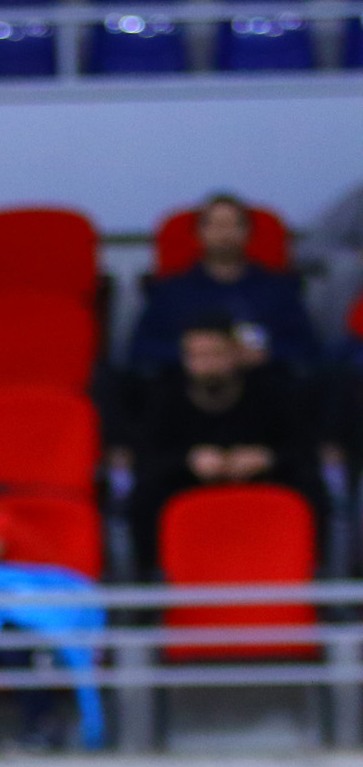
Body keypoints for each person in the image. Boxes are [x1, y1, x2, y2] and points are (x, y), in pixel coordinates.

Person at [131, 317, 316, 572]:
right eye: (197, 356)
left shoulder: (270, 392)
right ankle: (150, 578)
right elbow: (147, 456)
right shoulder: (166, 397)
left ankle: (313, 574)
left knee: (309, 486)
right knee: (145, 495)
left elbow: (303, 449)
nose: (207, 364)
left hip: (261, 480)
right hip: (186, 481)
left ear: (236, 353)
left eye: (216, 354)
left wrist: (266, 457)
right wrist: (189, 461)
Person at [129, 195, 321, 381]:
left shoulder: (277, 289)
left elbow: (307, 347)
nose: (224, 233)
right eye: (215, 225)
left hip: (266, 385)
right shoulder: (171, 291)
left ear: (249, 232)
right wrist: (198, 355)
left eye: (233, 225)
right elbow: (141, 349)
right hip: (184, 388)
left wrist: (263, 355)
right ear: (198, 232)